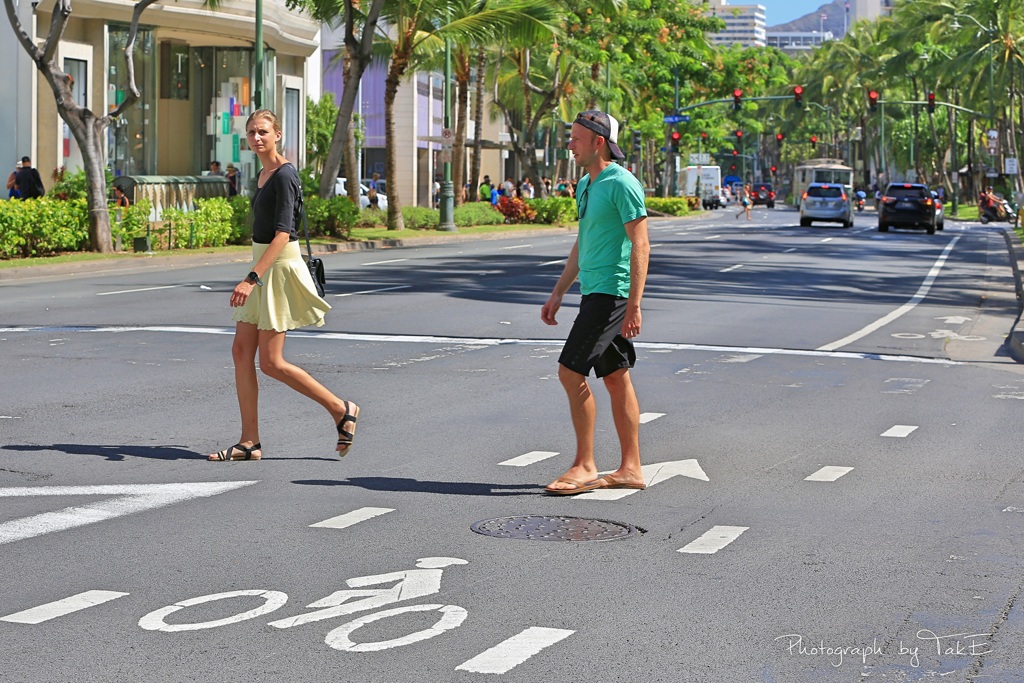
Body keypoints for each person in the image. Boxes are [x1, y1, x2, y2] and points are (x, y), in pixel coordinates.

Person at [208, 109, 360, 462]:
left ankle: (341, 409)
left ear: (277, 134)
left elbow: (283, 234)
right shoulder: (264, 174)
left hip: (274, 267)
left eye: (262, 131)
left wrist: (252, 278)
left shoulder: (284, 176)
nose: (256, 138)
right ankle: (249, 442)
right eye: (251, 133)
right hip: (262, 263)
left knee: (272, 363)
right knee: (241, 353)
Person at [540, 110, 650, 495]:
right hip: (593, 291)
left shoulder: (621, 183)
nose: (569, 145)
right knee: (617, 377)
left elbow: (640, 243)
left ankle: (585, 465)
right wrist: (559, 291)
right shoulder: (586, 185)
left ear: (597, 142)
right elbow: (582, 242)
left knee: (570, 373)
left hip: (611, 293)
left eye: (575, 138)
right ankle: (631, 469)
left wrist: (634, 304)